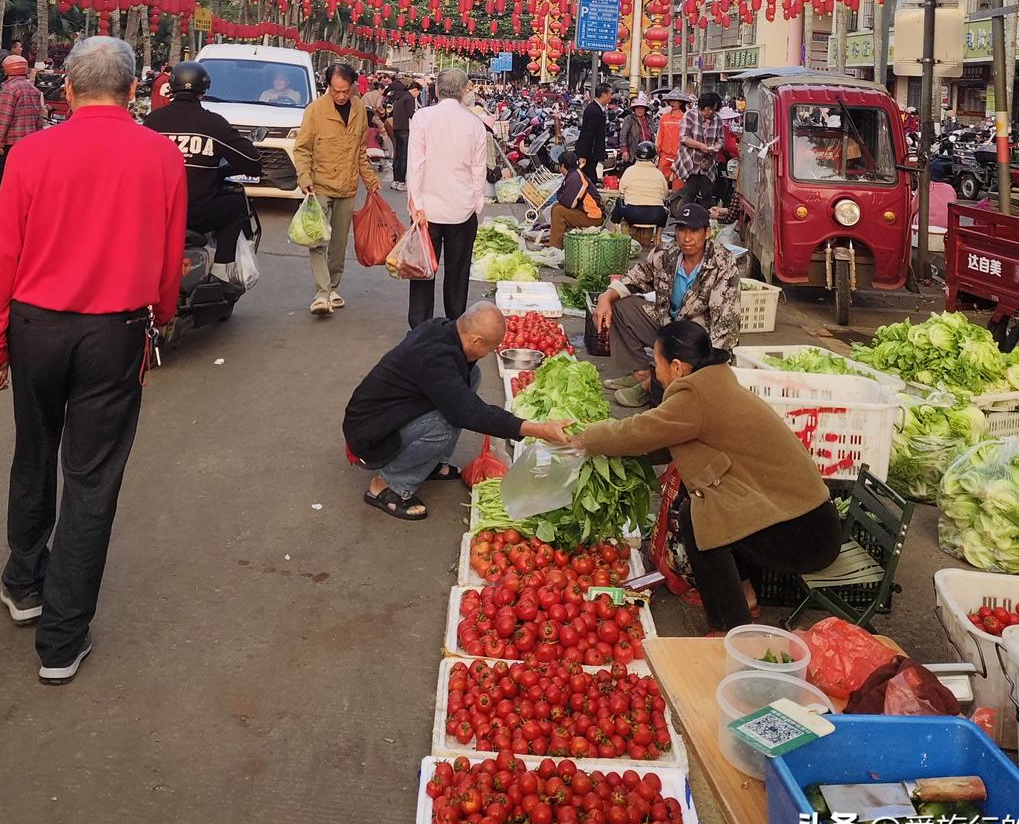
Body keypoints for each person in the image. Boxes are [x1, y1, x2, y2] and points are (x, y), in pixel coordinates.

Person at [0, 36, 186, 684]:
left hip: (34, 329)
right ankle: (62, 641)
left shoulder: (31, 154)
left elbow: (2, 256)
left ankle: (23, 583)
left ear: (65, 89)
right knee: (91, 479)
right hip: (113, 334)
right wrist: (163, 318)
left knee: (34, 450)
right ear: (134, 90)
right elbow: (169, 256)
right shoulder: (160, 156)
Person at [572, 320, 840, 631]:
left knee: (700, 518)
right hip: (810, 520)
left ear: (676, 366)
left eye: (656, 363)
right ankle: (745, 597)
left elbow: (638, 431)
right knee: (705, 507)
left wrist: (583, 439)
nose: (655, 372)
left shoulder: (694, 396)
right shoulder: (715, 382)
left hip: (803, 534)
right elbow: (663, 441)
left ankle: (730, 626)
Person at [343, 303, 572, 520]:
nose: (489, 353)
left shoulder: (442, 329)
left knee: (471, 375)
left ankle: (428, 462)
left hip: (388, 417)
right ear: (476, 340)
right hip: (370, 439)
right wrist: (538, 430)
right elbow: (469, 412)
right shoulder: (434, 359)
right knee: (445, 425)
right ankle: (388, 485)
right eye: (490, 348)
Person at [591, 201, 741, 406]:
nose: (686, 238)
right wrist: (606, 297)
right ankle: (642, 374)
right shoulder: (664, 254)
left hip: (697, 338)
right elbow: (635, 277)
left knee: (675, 391)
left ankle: (652, 385)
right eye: (681, 230)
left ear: (707, 233)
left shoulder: (722, 263)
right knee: (620, 306)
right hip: (666, 324)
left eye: (694, 231)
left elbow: (726, 323)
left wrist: (713, 372)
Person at [142, 61, 261, 264]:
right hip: (198, 214)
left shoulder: (153, 121)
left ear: (171, 87)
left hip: (157, 213)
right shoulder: (213, 123)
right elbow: (252, 161)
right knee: (238, 204)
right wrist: (221, 171)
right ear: (203, 90)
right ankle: (223, 269)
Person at [292, 61, 381, 317]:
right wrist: (304, 178)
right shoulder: (315, 110)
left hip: (347, 186)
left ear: (353, 86)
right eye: (335, 90)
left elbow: (360, 152)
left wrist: (371, 181)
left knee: (339, 243)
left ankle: (332, 287)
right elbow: (302, 149)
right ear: (328, 86)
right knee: (318, 239)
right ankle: (322, 292)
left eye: (345, 91)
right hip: (319, 185)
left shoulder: (359, 109)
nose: (341, 96)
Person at [407, 67, 487, 327]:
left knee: (422, 270)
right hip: (461, 209)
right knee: (458, 272)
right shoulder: (474, 124)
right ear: (464, 92)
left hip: (426, 211)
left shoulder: (422, 117)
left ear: (437, 90)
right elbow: (478, 169)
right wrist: (476, 204)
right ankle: (455, 325)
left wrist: (416, 204)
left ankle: (420, 327)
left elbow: (415, 164)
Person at [0, 54, 47, 225]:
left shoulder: (9, 90)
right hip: (30, 142)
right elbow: (39, 118)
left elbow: (3, 119)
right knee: (24, 180)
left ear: (6, 70)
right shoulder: (33, 89)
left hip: (12, 143)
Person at [676, 90, 724, 210]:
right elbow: (684, 138)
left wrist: (716, 147)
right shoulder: (690, 115)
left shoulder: (717, 119)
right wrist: (700, 146)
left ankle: (709, 218)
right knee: (691, 191)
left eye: (714, 109)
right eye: (708, 109)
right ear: (702, 106)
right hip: (691, 159)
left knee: (707, 192)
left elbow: (721, 140)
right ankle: (683, 216)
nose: (711, 112)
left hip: (708, 162)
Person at [549, 149, 606, 248]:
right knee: (555, 206)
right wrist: (561, 196)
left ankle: (556, 247)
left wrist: (561, 196)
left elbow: (569, 203)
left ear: (562, 166)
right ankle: (555, 240)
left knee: (559, 211)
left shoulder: (575, 178)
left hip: (594, 217)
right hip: (584, 211)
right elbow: (562, 194)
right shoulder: (573, 174)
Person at [611, 141, 671, 235]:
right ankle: (658, 237)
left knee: (619, 201)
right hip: (656, 215)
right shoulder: (659, 174)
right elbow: (665, 194)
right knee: (666, 205)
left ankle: (613, 233)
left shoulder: (629, 171)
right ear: (654, 158)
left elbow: (621, 191)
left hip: (632, 214)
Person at [575, 83, 613, 181]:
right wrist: (583, 155)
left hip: (592, 153)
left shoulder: (597, 109)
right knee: (588, 179)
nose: (611, 97)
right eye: (610, 94)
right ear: (603, 95)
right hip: (589, 154)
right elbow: (588, 134)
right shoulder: (594, 111)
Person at [390, 76, 419, 189]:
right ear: (415, 90)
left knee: (397, 155)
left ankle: (395, 180)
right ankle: (402, 181)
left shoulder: (399, 97)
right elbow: (411, 114)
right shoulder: (409, 98)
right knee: (404, 156)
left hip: (396, 127)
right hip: (405, 129)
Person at [655, 88, 689, 185]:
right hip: (665, 155)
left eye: (675, 101)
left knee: (679, 184)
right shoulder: (664, 118)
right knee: (661, 182)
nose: (672, 103)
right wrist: (657, 151)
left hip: (679, 156)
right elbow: (660, 136)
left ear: (680, 103)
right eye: (671, 101)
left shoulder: (685, 118)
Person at [619, 94, 654, 162]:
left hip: (648, 150)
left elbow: (653, 133)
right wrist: (624, 150)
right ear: (634, 109)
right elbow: (623, 135)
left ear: (645, 109)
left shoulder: (649, 119)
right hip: (634, 150)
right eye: (637, 108)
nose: (639, 110)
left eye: (641, 108)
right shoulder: (629, 119)